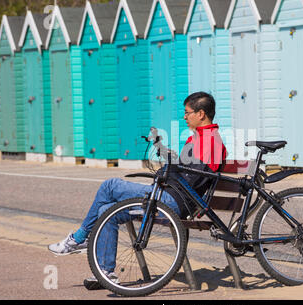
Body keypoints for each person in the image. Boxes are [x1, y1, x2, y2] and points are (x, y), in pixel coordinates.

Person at [48, 92, 227, 271]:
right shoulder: (201, 139)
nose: (184, 117)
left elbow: (191, 179)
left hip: (172, 202)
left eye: (187, 113)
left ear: (201, 114)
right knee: (105, 211)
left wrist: (167, 171)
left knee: (110, 186)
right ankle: (105, 273)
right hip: (170, 197)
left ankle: (79, 238)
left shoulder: (210, 141)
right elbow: (187, 172)